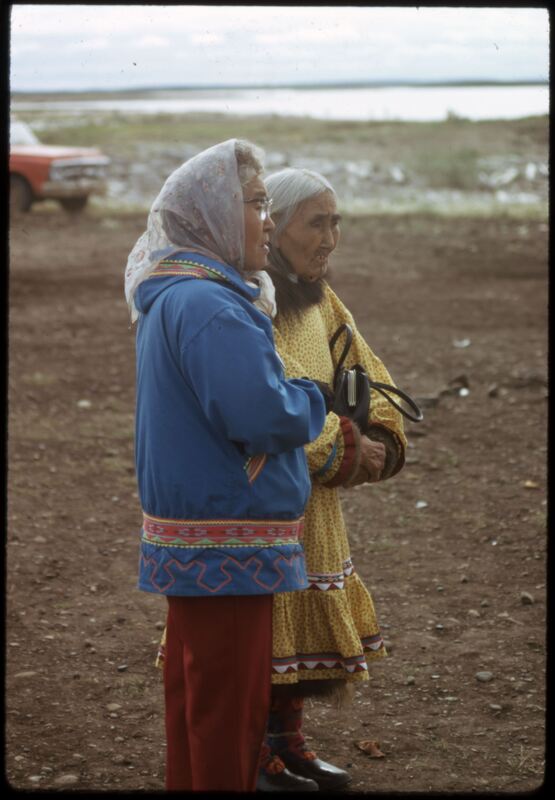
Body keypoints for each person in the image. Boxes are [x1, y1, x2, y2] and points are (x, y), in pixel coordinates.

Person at [124, 141, 329, 793]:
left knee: (195, 702)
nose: (267, 220)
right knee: (227, 716)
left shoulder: (173, 296)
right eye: (256, 203)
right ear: (212, 212)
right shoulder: (213, 305)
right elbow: (262, 418)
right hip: (226, 538)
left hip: (194, 537)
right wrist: (313, 399)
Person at [255, 167, 407, 792]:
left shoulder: (319, 297)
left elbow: (363, 364)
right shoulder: (251, 297)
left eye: (336, 221)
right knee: (262, 622)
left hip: (315, 508)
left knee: (299, 617)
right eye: (317, 222)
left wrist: (383, 434)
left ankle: (286, 744)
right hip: (261, 495)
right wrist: (344, 449)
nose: (331, 238)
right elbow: (263, 401)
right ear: (274, 227)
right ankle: (250, 753)